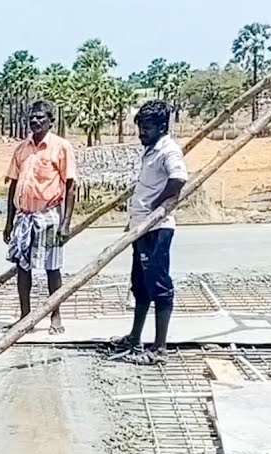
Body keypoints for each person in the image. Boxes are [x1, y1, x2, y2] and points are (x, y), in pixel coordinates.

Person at [110, 100, 187, 365]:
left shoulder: (169, 150)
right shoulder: (151, 150)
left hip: (157, 229)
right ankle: (135, 337)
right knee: (140, 286)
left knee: (159, 286)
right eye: (141, 127)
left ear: (162, 127)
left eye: (147, 128)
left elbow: (178, 179)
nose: (142, 133)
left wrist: (157, 206)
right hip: (141, 228)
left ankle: (159, 348)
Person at [2, 100, 77, 334]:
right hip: (24, 218)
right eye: (32, 118)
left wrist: (65, 223)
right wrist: (9, 222)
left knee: (52, 268)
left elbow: (71, 186)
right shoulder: (22, 149)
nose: (35, 121)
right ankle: (26, 318)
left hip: (49, 216)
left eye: (40, 118)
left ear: (50, 121)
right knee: (23, 268)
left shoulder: (61, 147)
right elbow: (13, 186)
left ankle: (55, 316)